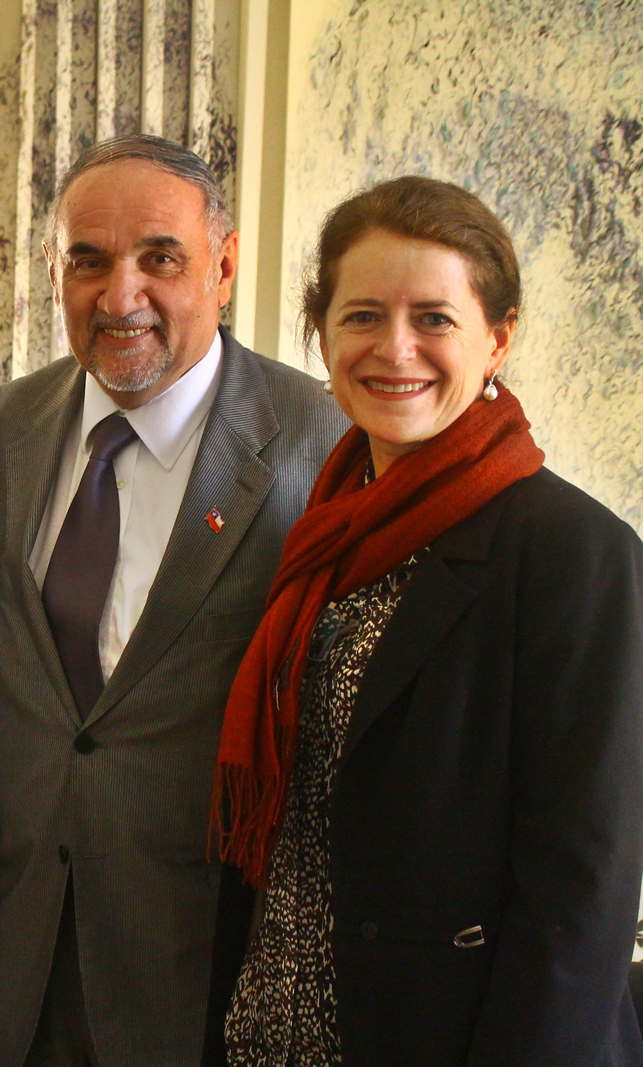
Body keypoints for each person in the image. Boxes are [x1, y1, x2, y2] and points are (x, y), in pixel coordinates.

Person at [212, 176, 643, 1065]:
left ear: (499, 339)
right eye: (363, 316)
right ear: (323, 334)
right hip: (272, 1026)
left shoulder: (573, 551)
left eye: (434, 318)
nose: (394, 347)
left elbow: (581, 894)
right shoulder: (325, 528)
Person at [0, 133, 347, 1067]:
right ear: (52, 270)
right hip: (22, 948)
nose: (119, 294)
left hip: (203, 960)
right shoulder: (5, 425)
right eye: (88, 260)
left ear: (223, 267)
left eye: (160, 258)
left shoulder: (323, 438)